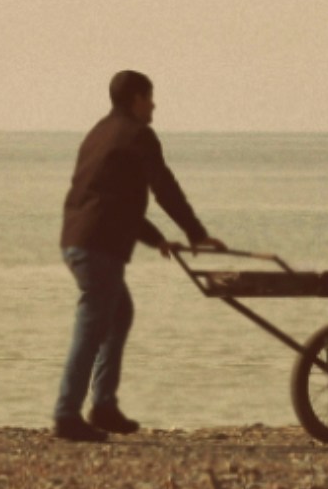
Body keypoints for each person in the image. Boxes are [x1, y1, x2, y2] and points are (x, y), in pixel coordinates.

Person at [55, 69, 211, 442]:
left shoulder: (99, 132)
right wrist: (195, 232)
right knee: (92, 325)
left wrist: (156, 238)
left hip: (79, 238)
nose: (154, 104)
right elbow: (164, 187)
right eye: (150, 96)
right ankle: (66, 415)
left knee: (118, 313)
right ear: (136, 99)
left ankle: (104, 405)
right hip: (97, 245)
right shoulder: (139, 135)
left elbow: (114, 201)